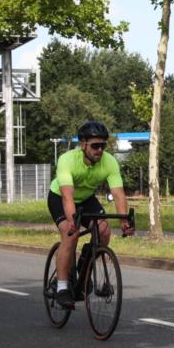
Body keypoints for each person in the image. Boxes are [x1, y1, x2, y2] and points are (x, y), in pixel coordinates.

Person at [48, 121, 134, 307]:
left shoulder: (109, 162)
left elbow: (118, 195)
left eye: (103, 145)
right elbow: (67, 197)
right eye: (95, 146)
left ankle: (84, 265)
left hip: (86, 199)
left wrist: (124, 221)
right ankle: (61, 286)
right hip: (60, 198)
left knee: (104, 231)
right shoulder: (67, 160)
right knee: (71, 234)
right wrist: (73, 223)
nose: (100, 150)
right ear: (83, 145)